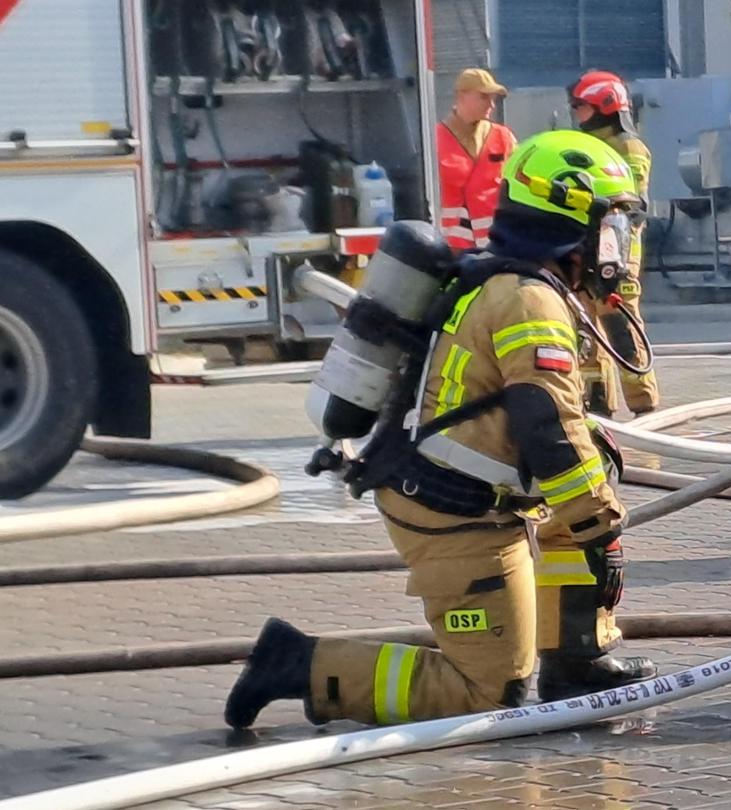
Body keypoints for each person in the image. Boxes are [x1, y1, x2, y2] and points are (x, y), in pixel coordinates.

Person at [225, 131, 656, 729]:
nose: (619, 243)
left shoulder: (515, 282)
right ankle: (300, 664)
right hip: (450, 512)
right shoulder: (530, 300)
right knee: (487, 695)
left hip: (471, 496)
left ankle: (577, 662)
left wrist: (589, 519)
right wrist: (601, 528)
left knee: (576, 517)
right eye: (611, 224)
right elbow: (547, 424)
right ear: (572, 219)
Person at [569, 70, 661, 414]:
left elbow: (630, 203)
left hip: (617, 254)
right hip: (585, 248)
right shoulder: (590, 145)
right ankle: (597, 405)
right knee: (586, 328)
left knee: (620, 325)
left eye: (581, 106)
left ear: (603, 106)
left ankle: (643, 404)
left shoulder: (629, 147)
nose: (577, 113)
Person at [436, 68, 516, 250]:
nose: (491, 105)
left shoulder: (503, 137)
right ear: (461, 96)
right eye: (484, 97)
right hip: (451, 248)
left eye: (493, 98)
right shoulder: (434, 139)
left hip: (495, 244)